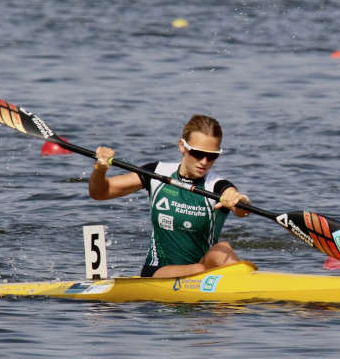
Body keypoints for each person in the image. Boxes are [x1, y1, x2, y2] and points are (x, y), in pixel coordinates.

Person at [89, 115, 250, 278]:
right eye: (198, 153)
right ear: (182, 146)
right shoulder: (157, 173)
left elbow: (241, 210)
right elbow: (99, 193)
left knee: (222, 249)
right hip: (159, 270)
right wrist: (99, 169)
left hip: (203, 268)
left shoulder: (217, 185)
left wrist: (240, 200)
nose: (204, 161)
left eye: (212, 156)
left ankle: (245, 284)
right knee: (199, 270)